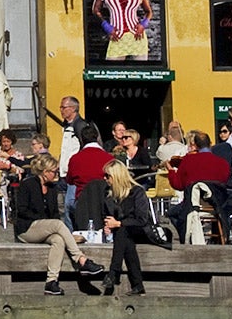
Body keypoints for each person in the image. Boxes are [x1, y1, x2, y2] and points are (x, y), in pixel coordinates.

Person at [13, 153, 102, 296]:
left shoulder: (52, 188)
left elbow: (54, 213)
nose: (56, 174)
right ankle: (81, 259)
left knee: (58, 240)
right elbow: (22, 211)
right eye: (54, 171)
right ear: (45, 172)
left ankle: (51, 282)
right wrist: (45, 221)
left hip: (46, 228)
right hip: (27, 229)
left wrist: (49, 224)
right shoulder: (27, 184)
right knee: (57, 224)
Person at [91, 159, 149, 296]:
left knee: (124, 231)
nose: (105, 179)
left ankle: (113, 273)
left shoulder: (137, 192)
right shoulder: (108, 194)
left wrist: (118, 224)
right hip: (123, 236)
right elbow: (106, 216)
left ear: (116, 177)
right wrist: (108, 227)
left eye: (108, 176)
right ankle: (137, 284)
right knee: (125, 237)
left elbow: (142, 220)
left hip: (141, 230)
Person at [65, 122, 111, 230]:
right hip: (104, 202)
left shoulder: (75, 159)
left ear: (81, 139)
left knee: (67, 205)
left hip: (81, 202)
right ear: (97, 137)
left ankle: (72, 234)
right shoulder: (108, 158)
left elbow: (70, 180)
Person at [55, 95, 82, 174]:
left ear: (73, 108)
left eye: (63, 107)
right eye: (60, 107)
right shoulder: (66, 125)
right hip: (63, 172)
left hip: (74, 172)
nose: (61, 110)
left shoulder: (80, 125)